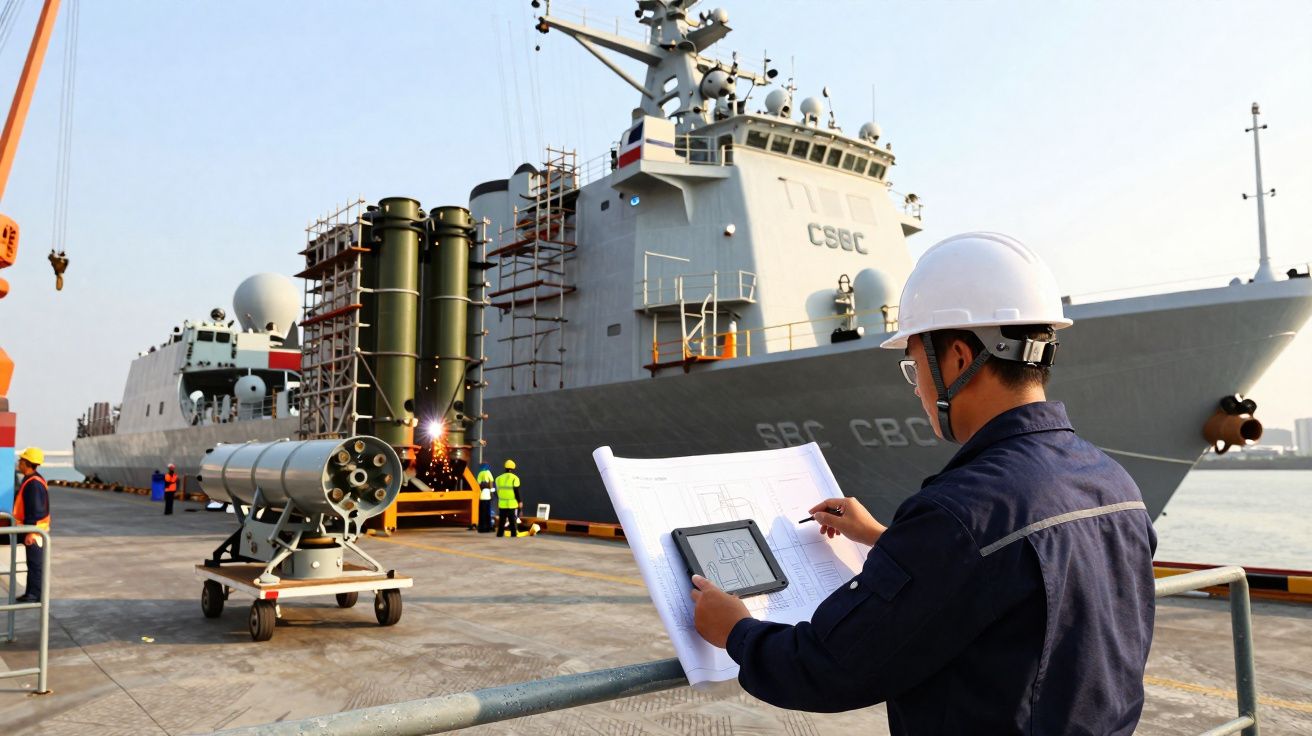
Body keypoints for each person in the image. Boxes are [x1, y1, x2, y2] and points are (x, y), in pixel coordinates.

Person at [689, 233, 1157, 734]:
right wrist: (887, 540)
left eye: (915, 367)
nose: (917, 389)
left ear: (957, 358)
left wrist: (736, 630)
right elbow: (1016, 583)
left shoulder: (959, 512)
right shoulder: (1116, 485)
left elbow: (830, 667)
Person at [13, 447, 50, 603]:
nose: (19, 462)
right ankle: (31, 592)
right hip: (32, 530)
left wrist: (30, 532)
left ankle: (34, 594)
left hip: (34, 532)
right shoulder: (31, 479)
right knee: (32, 563)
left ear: (27, 463)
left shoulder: (33, 483)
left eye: (21, 460)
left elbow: (35, 509)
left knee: (35, 564)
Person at [494, 460, 521, 538]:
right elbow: (516, 491)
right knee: (512, 520)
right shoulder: (515, 478)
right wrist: (519, 501)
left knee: (502, 520)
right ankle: (513, 534)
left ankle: (500, 534)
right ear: (513, 468)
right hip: (511, 503)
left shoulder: (498, 478)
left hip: (502, 503)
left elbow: (496, 491)